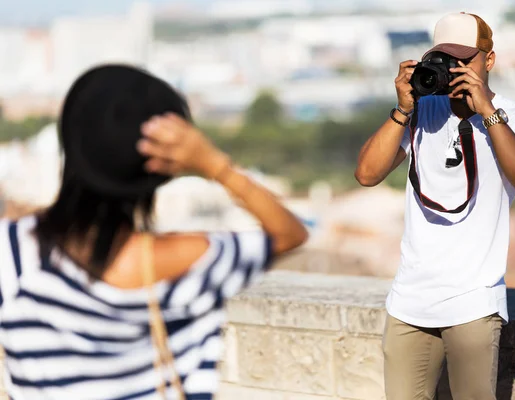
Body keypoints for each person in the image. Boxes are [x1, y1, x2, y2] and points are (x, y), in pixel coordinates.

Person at [0, 64, 308, 399]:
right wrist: (211, 163)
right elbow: (289, 233)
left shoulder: (14, 254)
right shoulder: (194, 262)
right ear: (159, 171)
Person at [355, 12, 515, 400]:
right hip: (409, 302)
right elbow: (366, 174)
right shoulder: (421, 114)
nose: (453, 69)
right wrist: (403, 109)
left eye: (464, 60)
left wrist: (486, 112)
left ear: (488, 61)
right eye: (444, 59)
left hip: (473, 302)